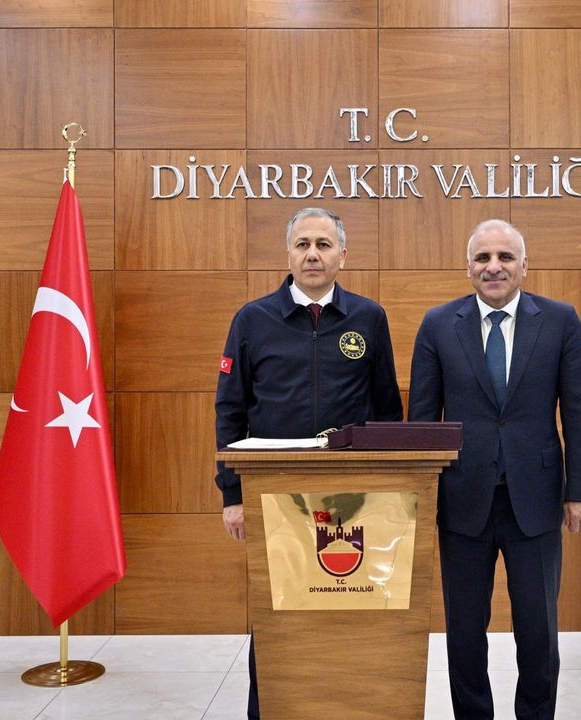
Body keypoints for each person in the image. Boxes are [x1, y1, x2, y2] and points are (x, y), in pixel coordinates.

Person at [215, 207, 403, 719]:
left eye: (323, 244)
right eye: (303, 244)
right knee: (276, 613)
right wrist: (232, 495)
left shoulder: (369, 318)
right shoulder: (253, 319)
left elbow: (387, 409)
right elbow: (230, 411)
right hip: (274, 492)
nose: (313, 254)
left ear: (343, 254)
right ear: (288, 254)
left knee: (348, 605)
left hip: (353, 497)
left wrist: (391, 490)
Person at [408, 219, 581, 720]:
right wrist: (419, 499)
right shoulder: (438, 324)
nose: (493, 267)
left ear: (524, 266)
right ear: (468, 267)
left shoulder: (560, 321)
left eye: (505, 257)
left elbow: (579, 412)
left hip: (535, 501)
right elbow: (422, 422)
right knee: (464, 631)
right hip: (461, 502)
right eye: (483, 258)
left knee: (538, 630)